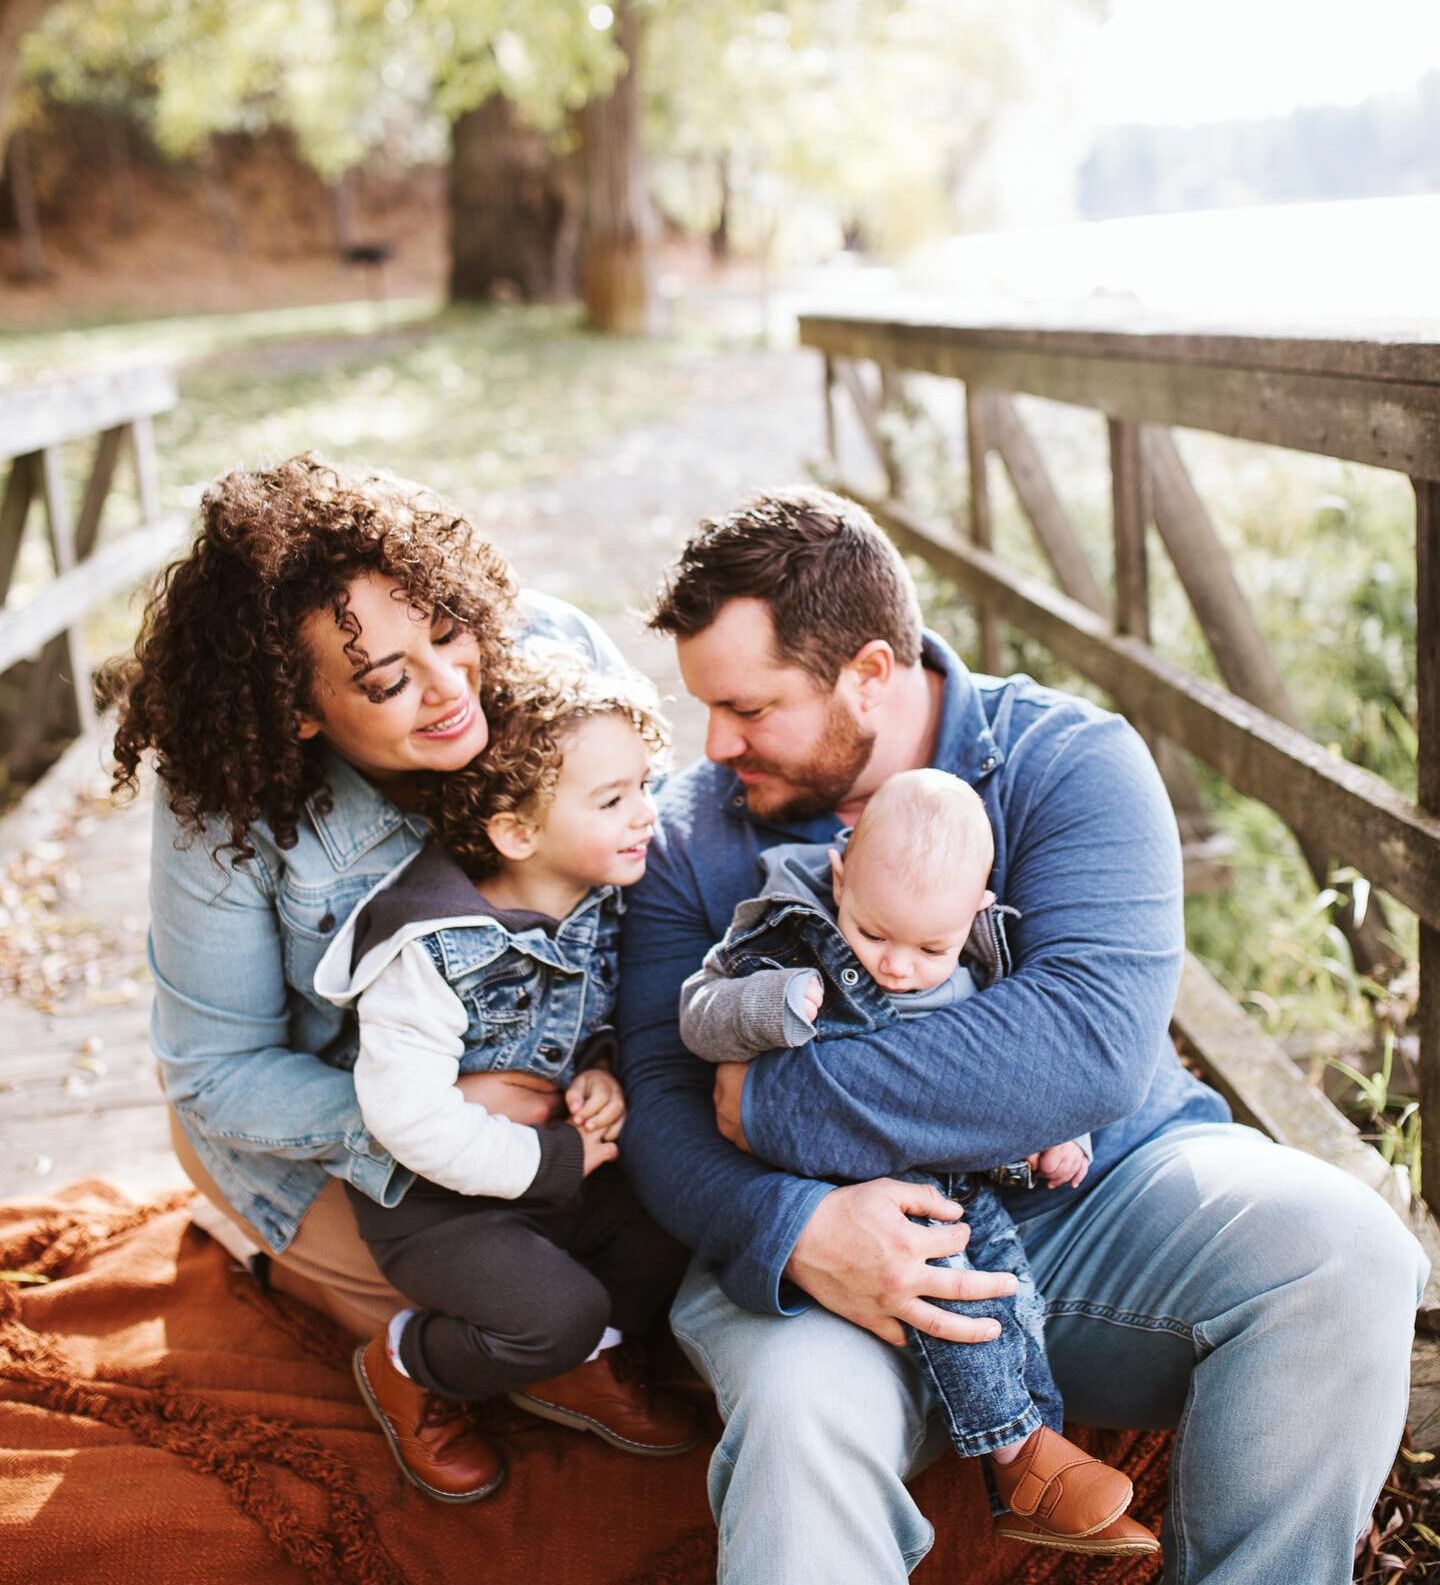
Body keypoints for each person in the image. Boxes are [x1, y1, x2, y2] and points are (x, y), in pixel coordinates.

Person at [617, 485, 1429, 1584]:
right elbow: (665, 1110)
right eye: (706, 707)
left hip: (1094, 1188)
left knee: (1349, 1248)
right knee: (803, 1417)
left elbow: (1082, 1047)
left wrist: (771, 1102)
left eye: (750, 709)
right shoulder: (686, 837)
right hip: (813, 1250)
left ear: (868, 672)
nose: (716, 745)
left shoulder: (1069, 762)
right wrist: (794, 1224)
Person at [104, 453, 633, 1504]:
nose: (451, 690)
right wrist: (417, 1115)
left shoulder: (558, 655)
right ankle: (397, 1357)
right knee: (524, 1308)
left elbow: (646, 862)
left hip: (567, 1084)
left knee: (654, 1256)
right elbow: (216, 1071)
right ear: (297, 709)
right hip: (339, 1135)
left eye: (447, 633)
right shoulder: (226, 802)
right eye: (387, 681)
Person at [677, 767, 1157, 1557]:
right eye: (871, 935)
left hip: (969, 1178)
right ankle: (1016, 1452)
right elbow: (698, 1014)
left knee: (1007, 1292)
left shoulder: (987, 955)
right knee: (952, 1292)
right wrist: (770, 1005)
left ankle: (1036, 1461)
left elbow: (1035, 1072)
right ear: (840, 875)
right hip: (843, 1188)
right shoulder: (784, 932)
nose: (896, 966)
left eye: (930, 946)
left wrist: (1059, 1133)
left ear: (973, 914)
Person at [311, 664, 699, 1500]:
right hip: (436, 1204)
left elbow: (592, 1021)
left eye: (643, 786)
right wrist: (552, 1163)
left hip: (559, 1169)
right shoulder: (431, 950)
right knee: (552, 1313)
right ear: (518, 834)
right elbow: (404, 1117)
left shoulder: (603, 895)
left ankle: (578, 1360)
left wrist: (602, 1075)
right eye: (612, 800)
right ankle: (411, 1362)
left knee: (672, 1224)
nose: (645, 813)